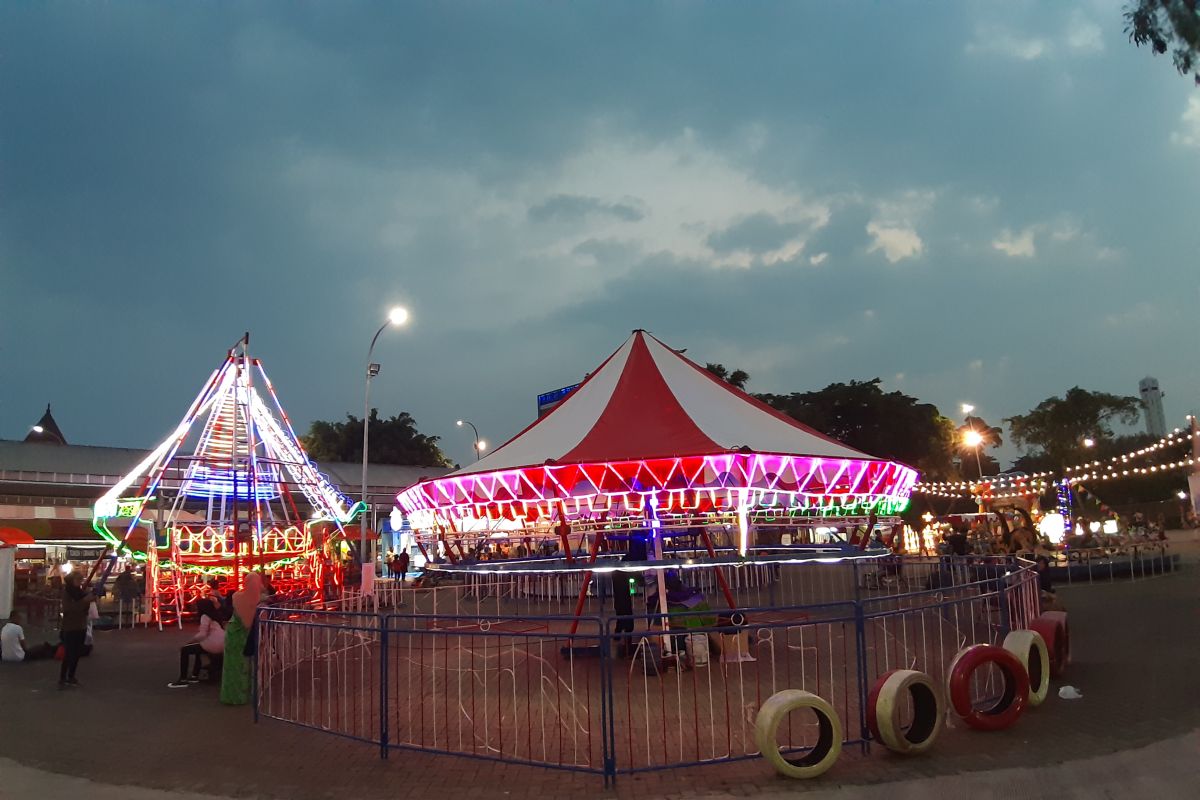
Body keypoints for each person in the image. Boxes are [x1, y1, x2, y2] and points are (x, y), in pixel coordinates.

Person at [221, 572, 260, 705]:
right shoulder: (240, 598)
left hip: (238, 635)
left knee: (241, 668)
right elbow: (247, 622)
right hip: (237, 636)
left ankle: (239, 697)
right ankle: (235, 698)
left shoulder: (245, 597)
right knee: (236, 668)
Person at [168, 598, 226, 688]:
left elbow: (202, 635)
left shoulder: (205, 617)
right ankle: (194, 675)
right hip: (222, 644)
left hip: (211, 644)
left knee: (185, 650)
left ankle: (183, 679)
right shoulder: (216, 616)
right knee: (198, 650)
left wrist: (189, 642)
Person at [59, 572, 95, 688]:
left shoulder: (79, 592)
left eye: (81, 579)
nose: (80, 582)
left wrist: (89, 600)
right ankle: (63, 677)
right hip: (70, 627)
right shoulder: (67, 592)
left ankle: (71, 676)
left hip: (80, 625)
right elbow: (69, 609)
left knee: (76, 653)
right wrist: (85, 601)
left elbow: (84, 608)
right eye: (78, 580)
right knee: (69, 653)